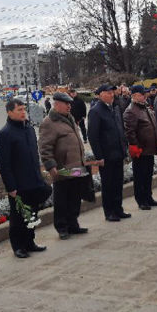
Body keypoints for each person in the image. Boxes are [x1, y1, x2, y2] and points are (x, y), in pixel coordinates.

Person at [0, 98, 53, 256]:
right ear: (9, 112)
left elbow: (34, 155)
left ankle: (30, 242)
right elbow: (4, 164)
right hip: (19, 184)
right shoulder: (4, 134)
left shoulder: (29, 129)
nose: (23, 112)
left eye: (24, 109)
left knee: (32, 214)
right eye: (19, 110)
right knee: (18, 217)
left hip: (34, 180)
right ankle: (18, 246)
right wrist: (11, 187)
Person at [38, 92, 89, 240]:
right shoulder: (49, 122)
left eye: (69, 103)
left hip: (76, 166)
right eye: (66, 103)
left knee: (75, 197)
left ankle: (73, 224)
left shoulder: (70, 118)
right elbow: (45, 147)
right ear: (56, 104)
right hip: (62, 168)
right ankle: (62, 227)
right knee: (62, 198)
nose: (69, 106)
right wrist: (50, 165)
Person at [88, 84, 131, 222]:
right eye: (108, 93)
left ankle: (118, 209)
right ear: (101, 95)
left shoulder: (115, 108)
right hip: (106, 155)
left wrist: (124, 149)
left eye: (112, 92)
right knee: (108, 185)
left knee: (118, 183)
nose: (111, 95)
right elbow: (93, 136)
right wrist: (99, 156)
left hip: (118, 152)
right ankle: (109, 212)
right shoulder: (96, 111)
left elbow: (120, 129)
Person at [123, 85, 157, 210]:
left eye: (144, 94)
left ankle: (148, 197)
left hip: (149, 148)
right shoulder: (131, 110)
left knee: (148, 175)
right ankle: (141, 200)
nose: (144, 96)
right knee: (140, 176)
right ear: (134, 96)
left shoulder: (144, 107)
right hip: (140, 150)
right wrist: (134, 145)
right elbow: (130, 132)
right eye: (141, 94)